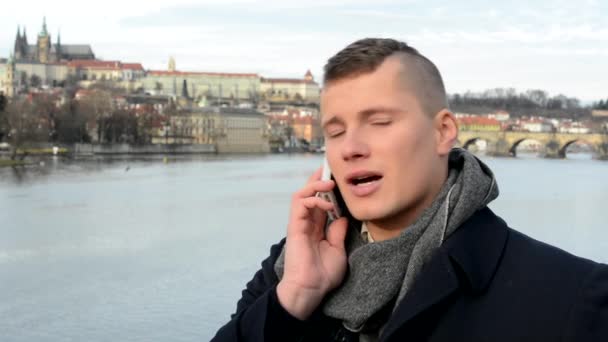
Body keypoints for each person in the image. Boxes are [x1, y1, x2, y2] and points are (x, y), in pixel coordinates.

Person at [212, 38, 608, 341]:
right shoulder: (289, 268)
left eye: (379, 122)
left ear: (443, 132)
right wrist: (296, 297)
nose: (350, 148)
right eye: (335, 131)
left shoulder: (574, 297)